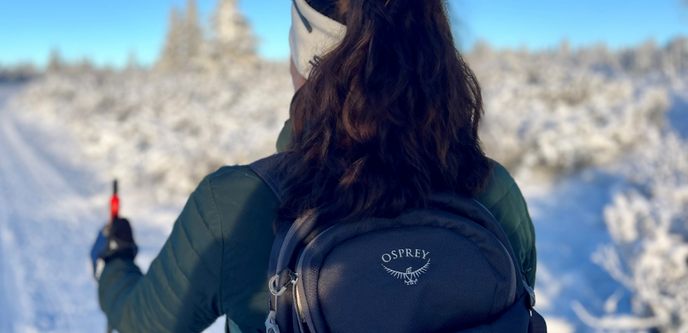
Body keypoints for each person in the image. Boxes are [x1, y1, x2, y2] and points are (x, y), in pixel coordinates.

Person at [90, 0, 537, 332]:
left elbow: (139, 323)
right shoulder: (493, 190)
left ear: (303, 61)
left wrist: (113, 261)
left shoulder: (234, 205)